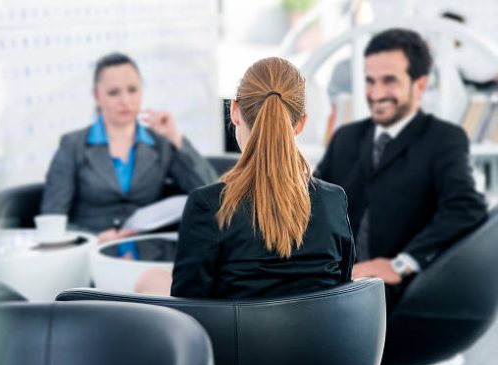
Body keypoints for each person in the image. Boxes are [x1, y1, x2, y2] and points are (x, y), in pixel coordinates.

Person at [315, 28, 488, 311]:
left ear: (419, 85)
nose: (376, 93)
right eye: (370, 81)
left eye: (389, 81)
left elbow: (465, 207)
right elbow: (314, 205)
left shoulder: (444, 139)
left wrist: (401, 263)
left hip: (399, 294)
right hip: (333, 283)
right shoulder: (346, 137)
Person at [170, 57, 354, 299]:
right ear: (300, 124)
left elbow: (188, 308)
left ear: (235, 111)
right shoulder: (333, 200)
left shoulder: (208, 206)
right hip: (324, 337)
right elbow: (342, 290)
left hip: (233, 338)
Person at [41, 53, 218, 241]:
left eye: (132, 90)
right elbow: (52, 220)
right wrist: (93, 239)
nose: (125, 100)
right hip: (90, 253)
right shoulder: (72, 145)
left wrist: (176, 138)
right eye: (113, 92)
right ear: (96, 96)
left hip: (147, 249)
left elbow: (214, 195)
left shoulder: (160, 143)